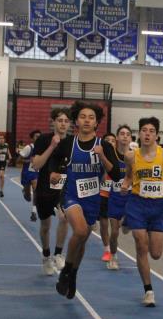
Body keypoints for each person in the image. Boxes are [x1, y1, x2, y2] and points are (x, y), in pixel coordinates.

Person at [55, 101, 123, 300]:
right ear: (76, 121)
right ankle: (66, 270)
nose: (87, 120)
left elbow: (116, 175)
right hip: (71, 195)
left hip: (92, 199)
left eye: (91, 117)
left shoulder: (104, 146)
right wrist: (53, 173)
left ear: (96, 123)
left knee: (82, 238)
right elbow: (55, 162)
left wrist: (102, 157)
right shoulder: (69, 143)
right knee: (80, 231)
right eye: (83, 117)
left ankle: (73, 275)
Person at [121, 117, 163, 307]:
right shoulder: (131, 156)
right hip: (137, 204)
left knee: (156, 253)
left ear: (157, 135)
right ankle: (148, 291)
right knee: (141, 245)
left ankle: (127, 221)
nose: (147, 134)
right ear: (139, 133)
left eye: (151, 131)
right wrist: (125, 185)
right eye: (144, 130)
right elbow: (128, 177)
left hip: (158, 206)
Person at [29, 108, 74, 275]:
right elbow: (36, 165)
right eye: (60, 120)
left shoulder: (72, 142)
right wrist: (52, 146)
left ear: (69, 124)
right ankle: (46, 256)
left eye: (66, 121)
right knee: (45, 226)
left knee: (64, 217)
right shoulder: (43, 140)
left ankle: (58, 254)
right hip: (44, 189)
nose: (63, 124)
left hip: (64, 188)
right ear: (53, 122)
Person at [105, 125, 133, 270]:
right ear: (117, 137)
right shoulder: (112, 155)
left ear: (131, 138)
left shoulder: (135, 156)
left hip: (130, 198)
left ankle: (127, 221)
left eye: (127, 134)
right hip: (115, 197)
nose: (125, 136)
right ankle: (113, 256)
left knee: (127, 226)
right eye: (122, 133)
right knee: (114, 232)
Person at [97, 132, 118, 262]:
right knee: (104, 224)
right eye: (107, 140)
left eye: (112, 140)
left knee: (115, 229)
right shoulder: (98, 158)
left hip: (117, 195)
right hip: (103, 193)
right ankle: (107, 250)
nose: (110, 142)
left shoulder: (122, 157)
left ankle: (113, 246)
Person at [18, 129, 42, 221]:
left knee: (36, 190)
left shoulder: (43, 148)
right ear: (32, 138)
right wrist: (29, 160)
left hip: (36, 173)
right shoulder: (28, 148)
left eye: (40, 136)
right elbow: (18, 160)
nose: (38, 138)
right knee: (28, 197)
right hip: (26, 173)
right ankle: (25, 191)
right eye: (36, 136)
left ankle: (34, 212)